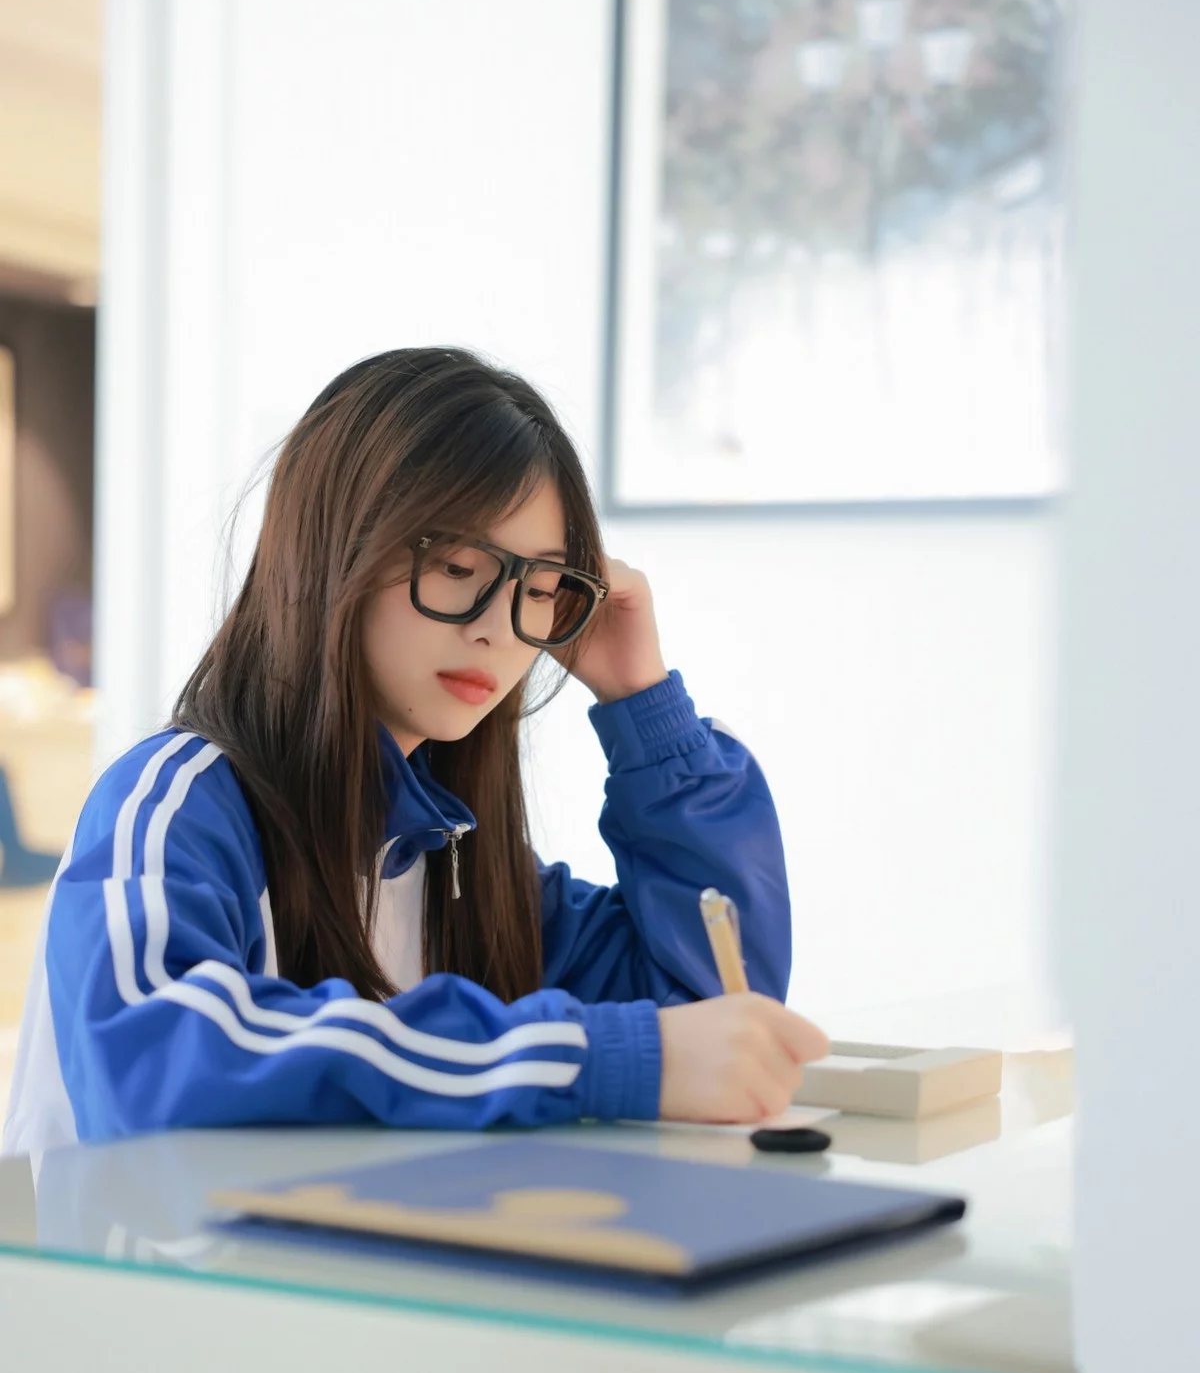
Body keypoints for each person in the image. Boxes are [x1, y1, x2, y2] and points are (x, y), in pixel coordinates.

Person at [2, 348, 828, 1158]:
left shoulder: (455, 857)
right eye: (458, 565)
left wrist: (646, 707)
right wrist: (587, 1057)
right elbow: (150, 1062)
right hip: (126, 1289)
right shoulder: (175, 802)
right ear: (333, 552)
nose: (498, 625)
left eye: (541, 591)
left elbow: (723, 1011)